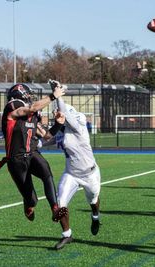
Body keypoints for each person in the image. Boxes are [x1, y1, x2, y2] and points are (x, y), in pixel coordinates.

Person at [38, 81, 101, 250]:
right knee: (60, 203)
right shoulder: (63, 131)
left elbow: (65, 112)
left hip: (90, 174)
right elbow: (48, 140)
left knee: (93, 200)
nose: (58, 115)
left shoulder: (79, 129)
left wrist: (57, 95)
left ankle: (95, 216)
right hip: (71, 173)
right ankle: (67, 234)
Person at [0, 83, 65, 221]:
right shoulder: (12, 106)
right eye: (27, 94)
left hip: (32, 153)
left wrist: (58, 124)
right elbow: (31, 107)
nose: (30, 97)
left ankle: (55, 209)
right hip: (16, 159)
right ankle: (28, 204)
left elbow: (47, 136)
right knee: (32, 200)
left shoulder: (33, 116)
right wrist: (53, 96)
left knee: (46, 172)